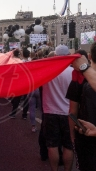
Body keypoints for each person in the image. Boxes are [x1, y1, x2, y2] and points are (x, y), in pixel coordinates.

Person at [42, 45, 73, 171]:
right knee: (68, 146)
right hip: (69, 113)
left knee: (52, 145)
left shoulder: (46, 71)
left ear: (55, 56)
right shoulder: (73, 72)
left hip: (50, 112)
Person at [66, 43, 96, 171]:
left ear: (89, 56)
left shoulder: (79, 79)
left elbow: (73, 110)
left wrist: (72, 137)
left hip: (85, 138)